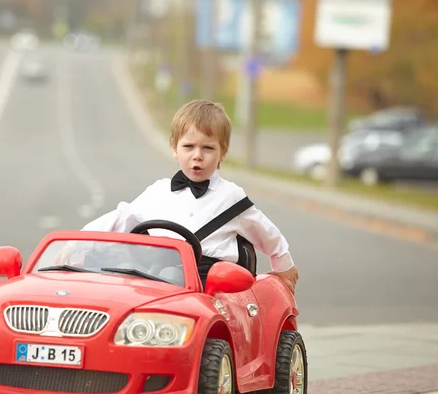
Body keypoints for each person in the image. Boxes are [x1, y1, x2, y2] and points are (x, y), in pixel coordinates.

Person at [72, 99, 299, 293]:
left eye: (208, 148)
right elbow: (121, 218)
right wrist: (76, 244)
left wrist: (283, 264)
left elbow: (265, 232)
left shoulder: (231, 197)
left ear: (223, 152)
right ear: (174, 148)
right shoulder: (158, 192)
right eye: (188, 147)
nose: (197, 156)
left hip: (211, 280)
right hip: (157, 275)